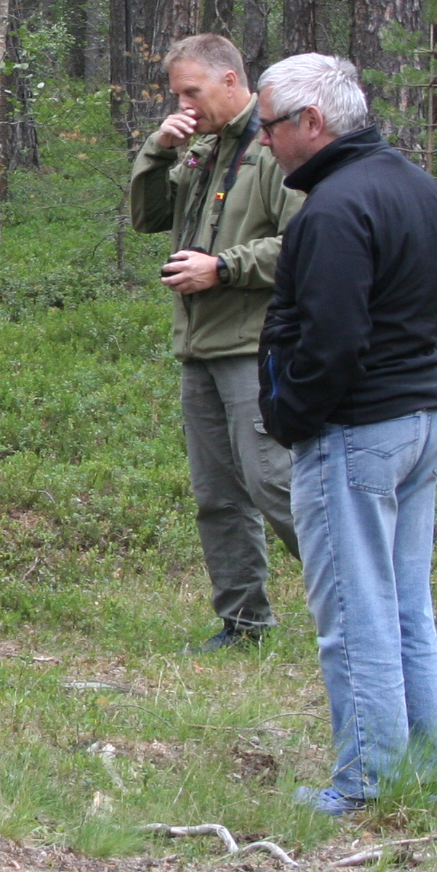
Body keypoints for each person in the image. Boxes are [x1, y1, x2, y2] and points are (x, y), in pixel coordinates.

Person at [255, 53, 437, 816]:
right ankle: (425, 771)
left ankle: (368, 779)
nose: (264, 141)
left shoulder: (335, 209)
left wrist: (293, 416)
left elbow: (331, 341)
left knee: (355, 609)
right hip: (419, 419)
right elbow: (435, 313)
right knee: (404, 603)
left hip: (358, 429)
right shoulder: (415, 186)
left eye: (270, 126)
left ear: (312, 122)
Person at [129, 33, 302, 651]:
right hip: (200, 346)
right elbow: (148, 217)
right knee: (217, 496)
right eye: (177, 93)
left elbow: (304, 243)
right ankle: (243, 622)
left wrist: (223, 267)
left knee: (273, 484)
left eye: (192, 91)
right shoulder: (203, 146)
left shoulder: (276, 147)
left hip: (254, 346)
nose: (184, 103)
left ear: (231, 81)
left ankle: (361, 600)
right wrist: (158, 150)